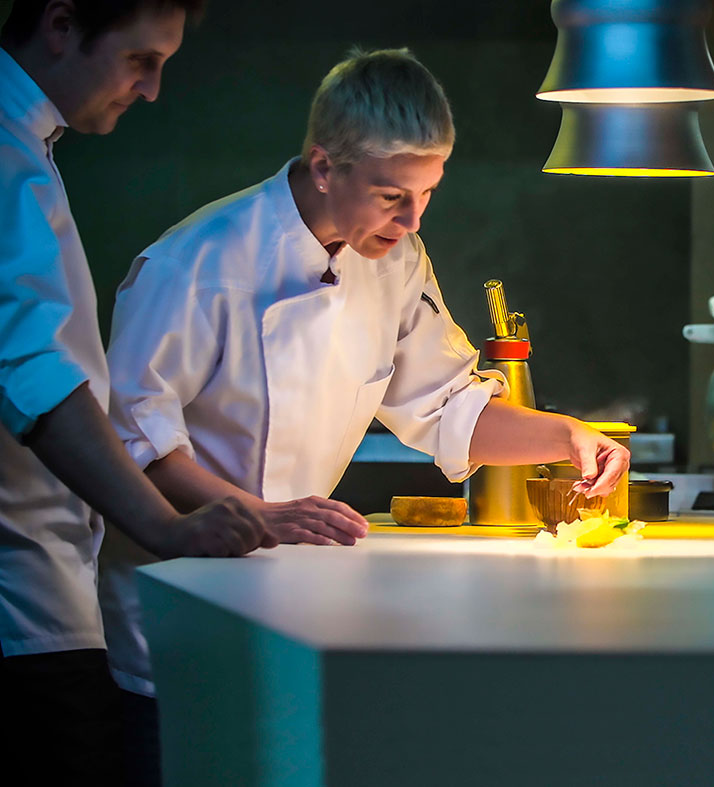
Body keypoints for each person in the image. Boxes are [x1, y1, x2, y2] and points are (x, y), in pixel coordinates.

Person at [98, 46, 630, 778]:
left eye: (428, 193)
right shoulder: (197, 262)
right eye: (391, 196)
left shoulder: (395, 261)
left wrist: (567, 436)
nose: (411, 220)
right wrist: (258, 514)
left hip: (296, 599)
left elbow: (451, 405)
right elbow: (133, 440)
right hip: (179, 610)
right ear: (324, 167)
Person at [0, 0, 277, 783]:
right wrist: (165, 524)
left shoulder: (27, 145)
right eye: (140, 60)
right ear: (62, 24)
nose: (151, 89)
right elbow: (35, 376)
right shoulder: (5, 154)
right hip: (24, 604)